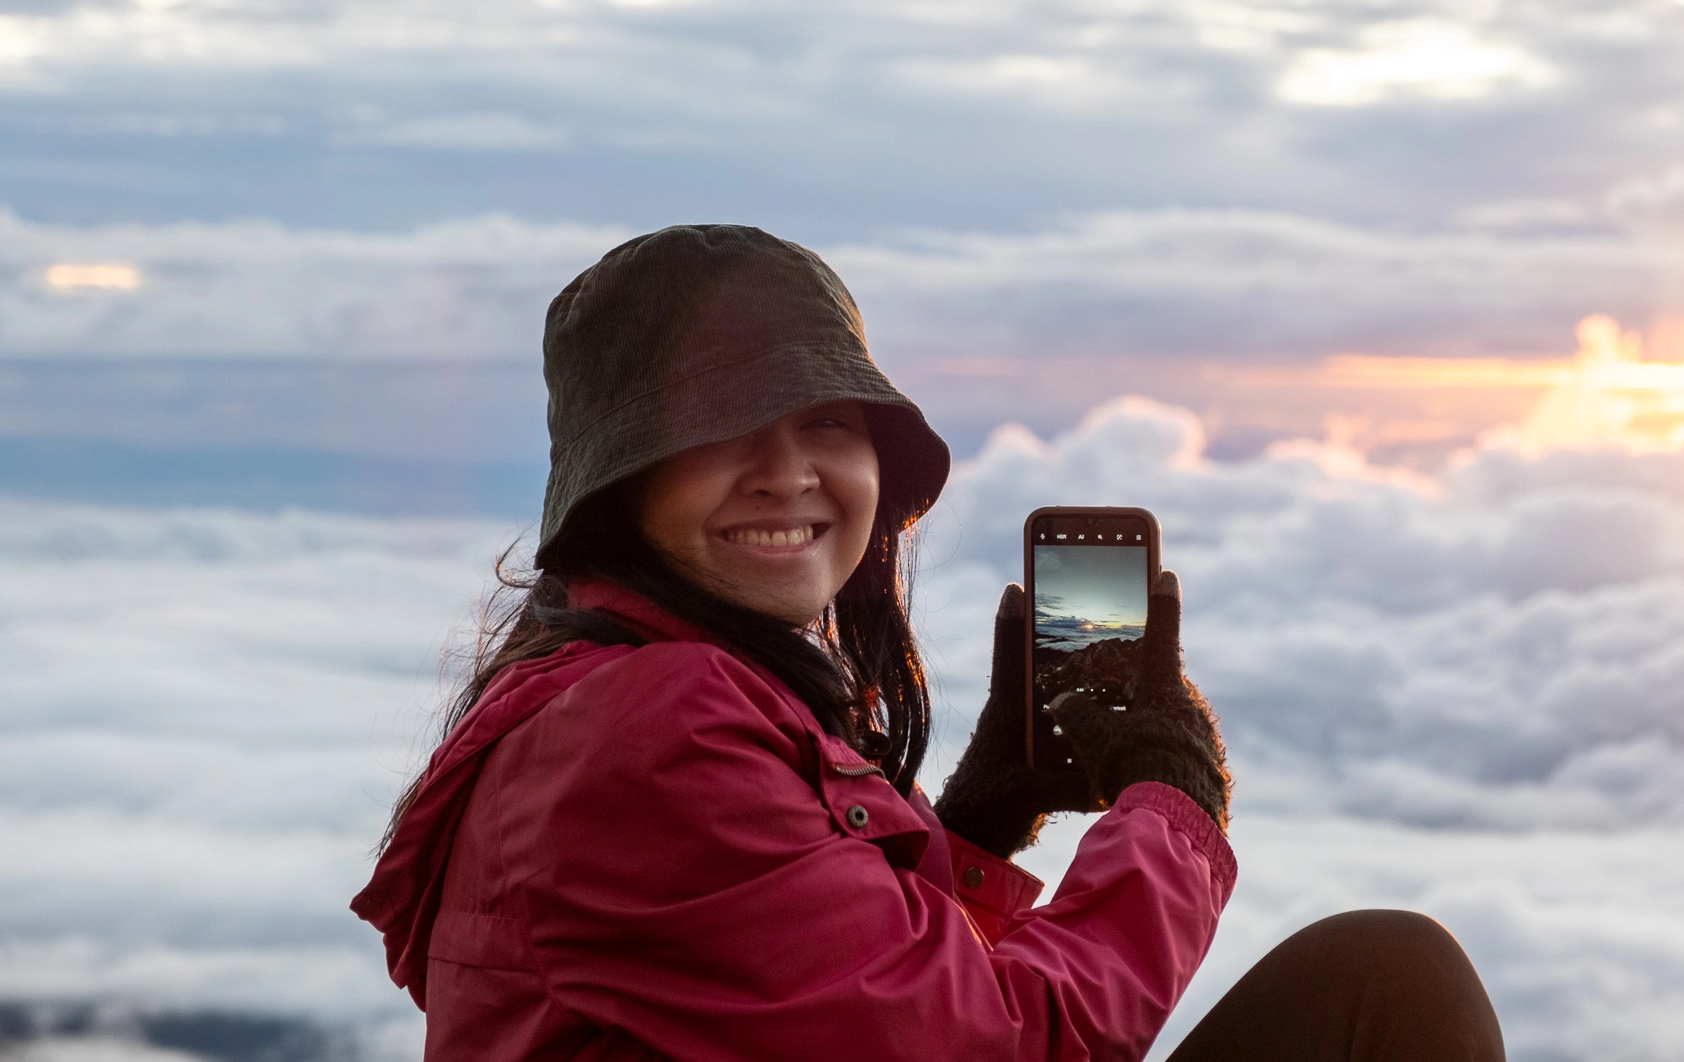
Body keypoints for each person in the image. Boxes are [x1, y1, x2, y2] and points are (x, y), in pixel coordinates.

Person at [352, 225, 1505, 1061]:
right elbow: (988, 1050)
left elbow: (827, 999)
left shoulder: (617, 692)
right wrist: (1175, 808)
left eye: (825, 422)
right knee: (1389, 988)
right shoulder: (649, 728)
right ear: (623, 484)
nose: (789, 472)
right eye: (720, 432)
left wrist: (979, 823)